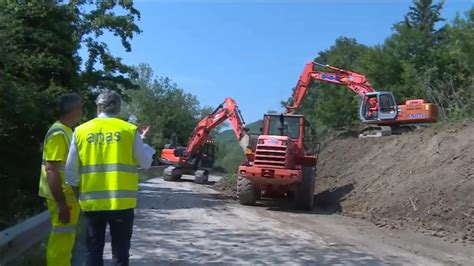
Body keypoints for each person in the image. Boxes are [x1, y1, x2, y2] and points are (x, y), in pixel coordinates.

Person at [66, 90, 154, 266]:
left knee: (93, 251)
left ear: (98, 107)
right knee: (120, 253)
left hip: (92, 203)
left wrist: (79, 194)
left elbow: (70, 172)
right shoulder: (129, 130)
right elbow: (145, 163)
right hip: (121, 204)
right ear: (118, 108)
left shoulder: (81, 131)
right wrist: (144, 143)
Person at [38, 93, 82, 266]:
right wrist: (61, 203)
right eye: (80, 108)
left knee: (65, 241)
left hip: (67, 196)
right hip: (62, 197)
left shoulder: (67, 131)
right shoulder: (58, 132)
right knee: (60, 242)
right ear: (74, 110)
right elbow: (52, 169)